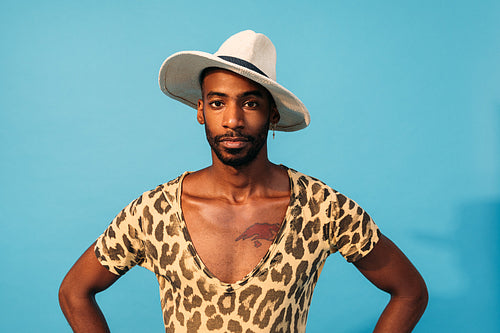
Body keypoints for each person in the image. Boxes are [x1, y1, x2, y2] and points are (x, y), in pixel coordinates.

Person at [59, 30, 428, 333]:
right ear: (201, 111)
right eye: (218, 103)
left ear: (272, 114)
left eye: (250, 103)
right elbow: (75, 291)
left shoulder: (321, 208)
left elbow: (410, 292)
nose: (233, 120)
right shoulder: (155, 212)